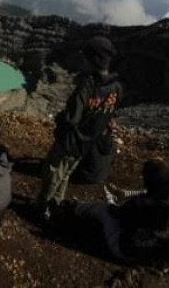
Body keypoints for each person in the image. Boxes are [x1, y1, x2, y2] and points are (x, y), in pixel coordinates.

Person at [37, 36, 123, 219]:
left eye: (86, 57)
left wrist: (60, 123)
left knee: (53, 172)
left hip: (71, 139)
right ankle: (56, 204)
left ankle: (42, 207)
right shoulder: (116, 87)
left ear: (93, 59)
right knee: (66, 173)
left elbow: (72, 117)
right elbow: (109, 114)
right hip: (87, 142)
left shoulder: (87, 85)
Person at [68, 159, 169, 263]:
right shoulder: (165, 201)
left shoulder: (138, 206)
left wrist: (111, 203)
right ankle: (123, 194)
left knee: (103, 208)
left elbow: (116, 213)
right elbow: (146, 196)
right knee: (138, 197)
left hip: (124, 251)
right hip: (149, 250)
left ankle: (74, 207)